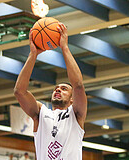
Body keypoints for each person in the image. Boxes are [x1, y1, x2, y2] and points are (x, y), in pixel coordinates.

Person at [14, 22, 87, 160]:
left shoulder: (76, 114)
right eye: (56, 88)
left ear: (72, 99)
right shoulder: (41, 113)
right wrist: (33, 54)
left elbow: (78, 85)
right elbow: (19, 91)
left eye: (64, 89)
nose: (58, 90)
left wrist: (64, 47)